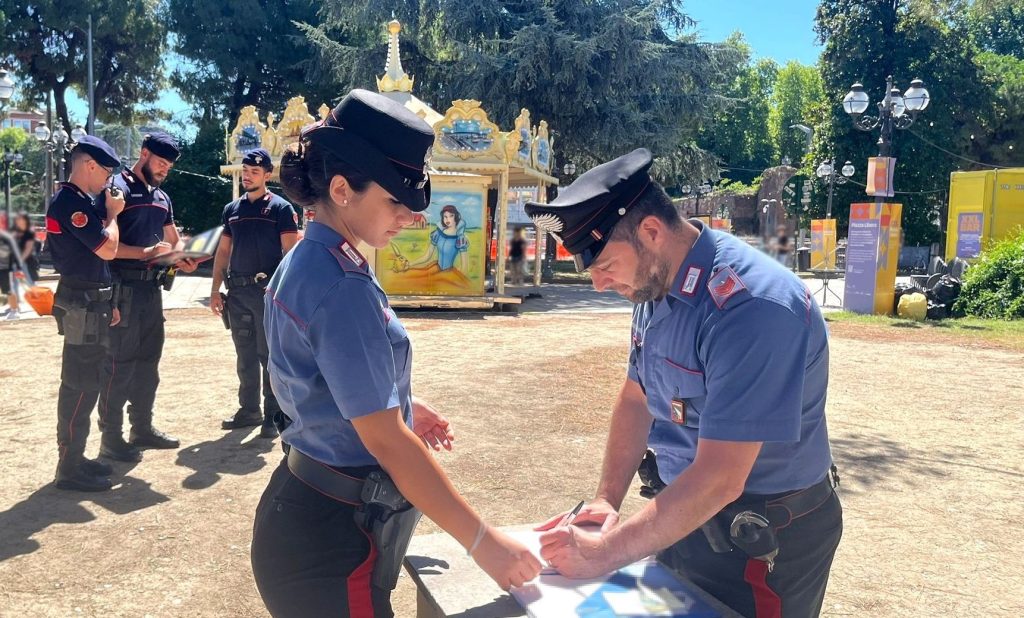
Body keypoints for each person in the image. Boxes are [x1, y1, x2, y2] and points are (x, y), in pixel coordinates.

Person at [252, 89, 541, 617]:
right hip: (335, 544)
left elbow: (323, 376)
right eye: (395, 202)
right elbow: (385, 441)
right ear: (341, 189)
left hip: (309, 511)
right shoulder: (341, 284)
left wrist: (402, 399)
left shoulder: (312, 258)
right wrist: (486, 543)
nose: (409, 218)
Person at [525, 149, 841, 617]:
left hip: (764, 540)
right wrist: (606, 500)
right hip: (684, 517)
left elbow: (719, 478)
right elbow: (637, 398)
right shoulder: (654, 282)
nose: (598, 284)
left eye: (605, 264)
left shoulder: (751, 307)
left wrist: (606, 552)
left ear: (651, 232)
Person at [97, 131, 198, 462]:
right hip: (121, 289)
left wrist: (186, 256)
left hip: (151, 292)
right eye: (160, 162)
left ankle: (142, 427)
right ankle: (110, 438)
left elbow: (172, 240)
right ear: (143, 154)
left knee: (149, 362)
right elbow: (104, 246)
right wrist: (146, 252)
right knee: (118, 365)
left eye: (168, 165)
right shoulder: (118, 189)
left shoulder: (161, 198)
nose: (164, 169)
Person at [44, 136, 125, 491]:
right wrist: (112, 214)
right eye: (106, 171)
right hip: (82, 304)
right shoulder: (69, 203)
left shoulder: (78, 201)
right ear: (90, 165)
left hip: (92, 303)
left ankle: (75, 458)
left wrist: (111, 302)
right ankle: (69, 466)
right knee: (78, 383)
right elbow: (107, 250)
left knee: (88, 381)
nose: (108, 180)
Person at [209, 148, 298, 438]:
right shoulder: (232, 210)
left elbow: (290, 253)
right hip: (237, 294)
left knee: (267, 355)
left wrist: (286, 295)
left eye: (254, 172)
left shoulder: (281, 209)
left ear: (267, 175)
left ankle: (273, 415)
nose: (248, 176)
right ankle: (248, 411)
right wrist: (214, 290)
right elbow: (223, 251)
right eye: (245, 171)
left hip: (266, 294)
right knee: (244, 354)